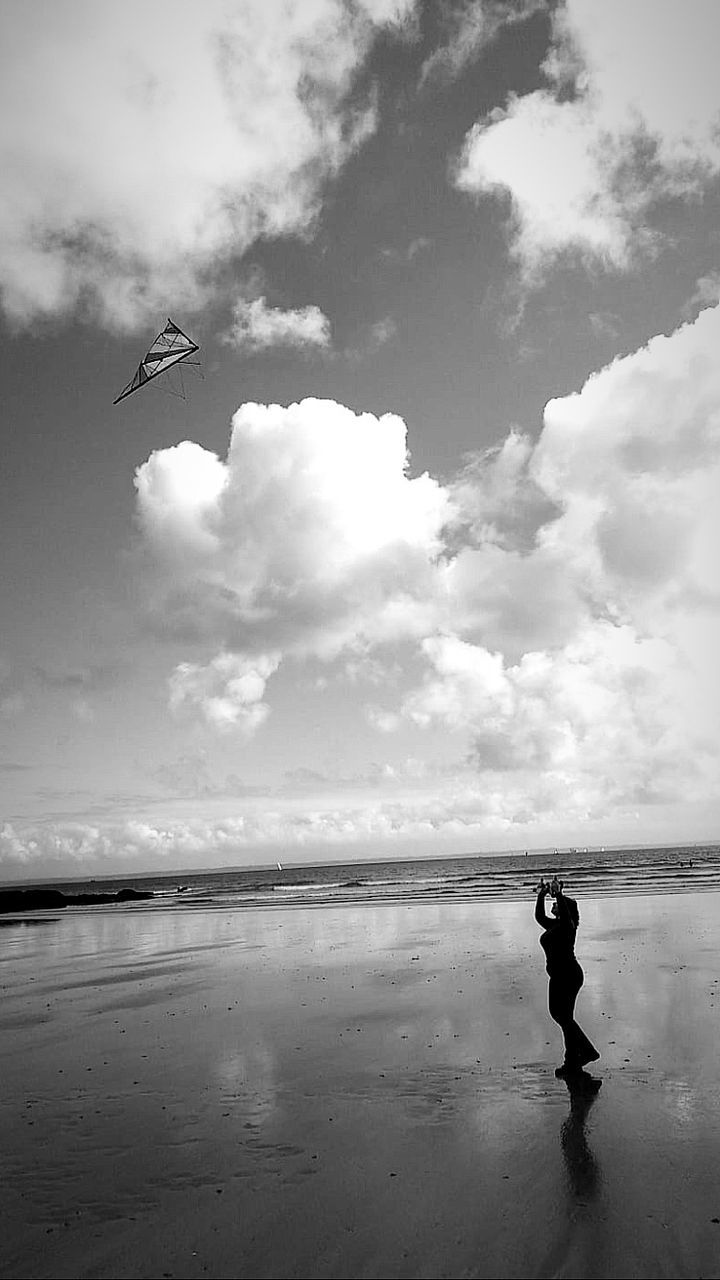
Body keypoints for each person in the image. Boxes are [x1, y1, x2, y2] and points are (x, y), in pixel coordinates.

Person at [535, 876, 599, 1076]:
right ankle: (572, 1062)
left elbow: (564, 912)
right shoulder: (555, 925)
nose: (554, 905)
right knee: (563, 1018)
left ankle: (587, 1052)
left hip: (568, 975)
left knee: (561, 1016)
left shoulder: (567, 927)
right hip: (560, 976)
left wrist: (559, 894)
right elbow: (539, 917)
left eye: (556, 904)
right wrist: (542, 894)